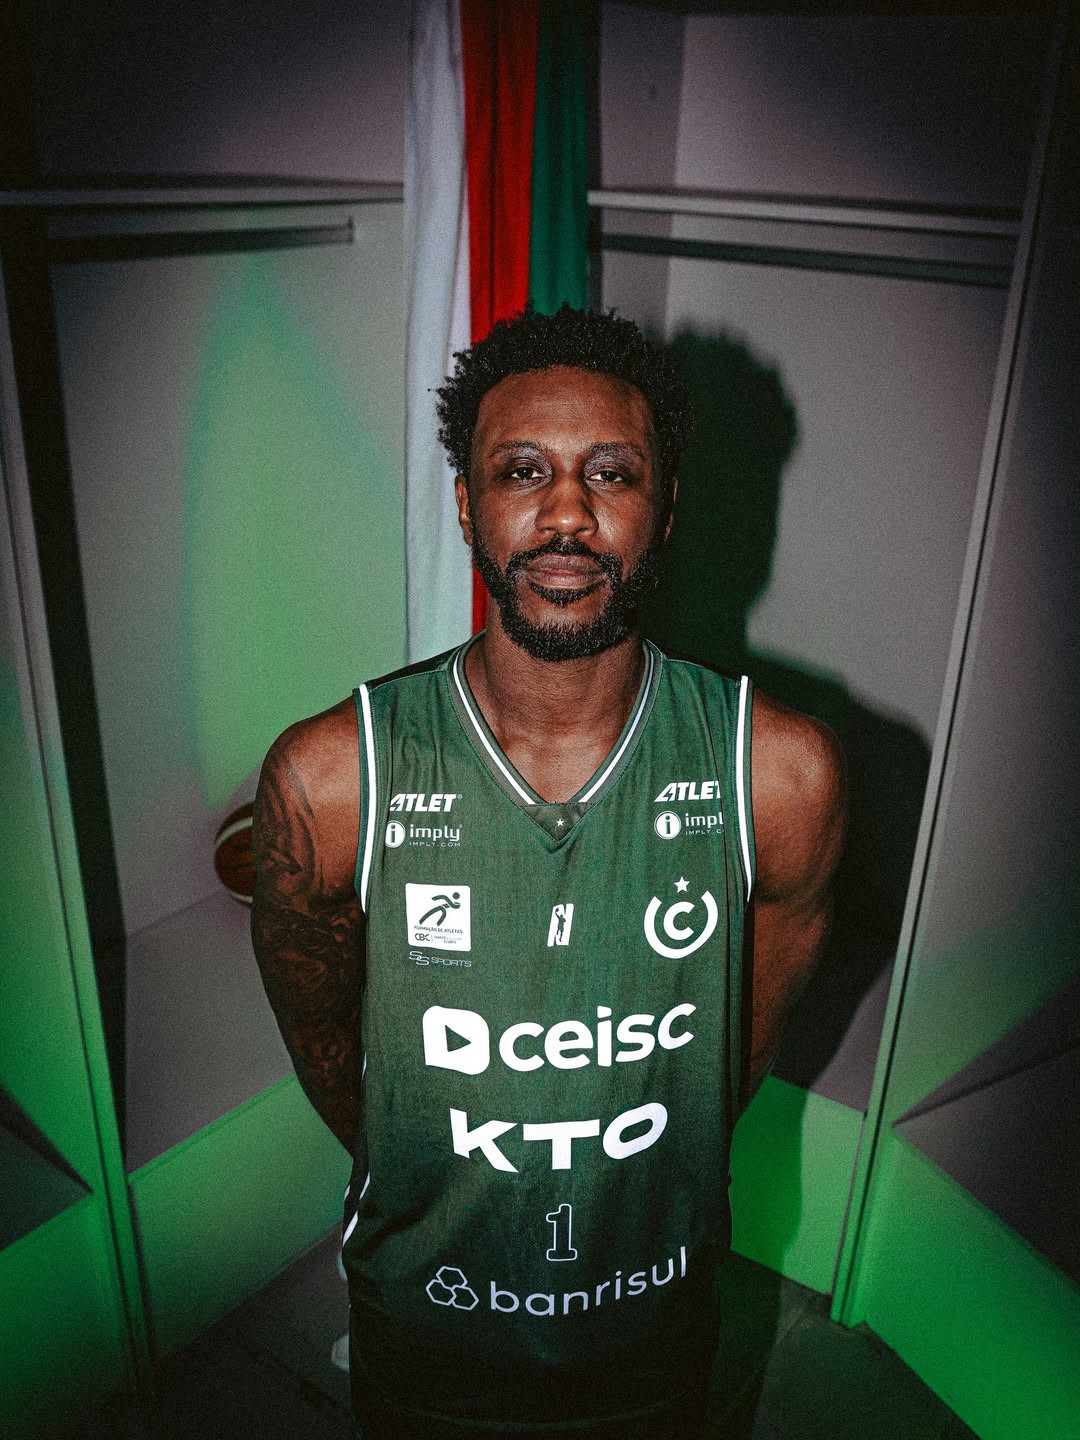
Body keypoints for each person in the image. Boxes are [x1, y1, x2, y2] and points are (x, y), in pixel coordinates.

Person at [251, 305, 845, 1438]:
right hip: (427, 1321)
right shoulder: (331, 781)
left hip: (656, 1317)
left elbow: (732, 1057)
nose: (567, 512)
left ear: (665, 505)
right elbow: (328, 1047)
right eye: (522, 470)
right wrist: (431, 1162)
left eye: (610, 473)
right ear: (466, 502)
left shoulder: (781, 775)